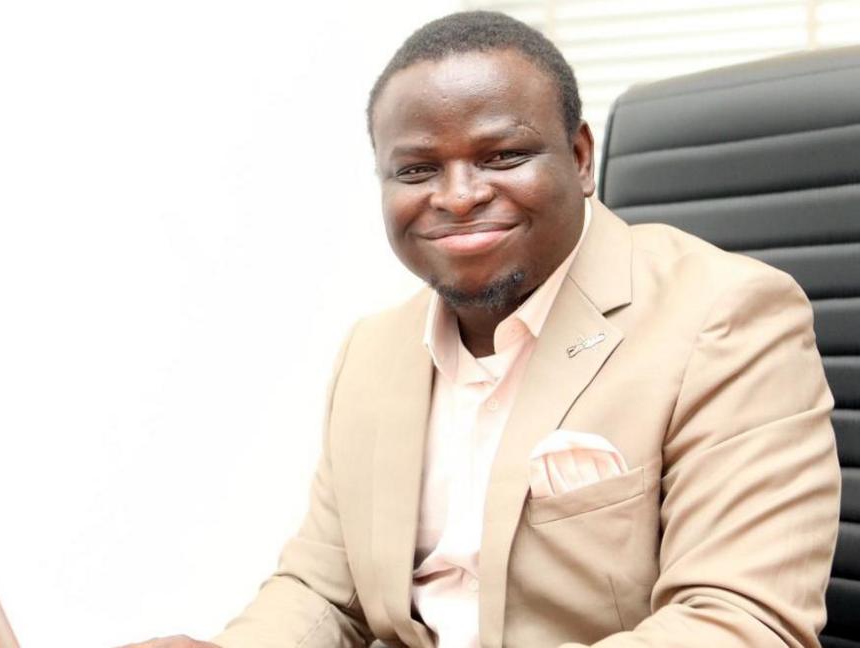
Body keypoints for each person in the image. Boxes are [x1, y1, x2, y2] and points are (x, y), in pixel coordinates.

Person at [121, 10, 840, 648]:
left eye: (502, 157)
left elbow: (739, 621)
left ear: (581, 158)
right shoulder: (372, 351)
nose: (458, 197)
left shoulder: (727, 316)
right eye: (416, 169)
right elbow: (322, 591)